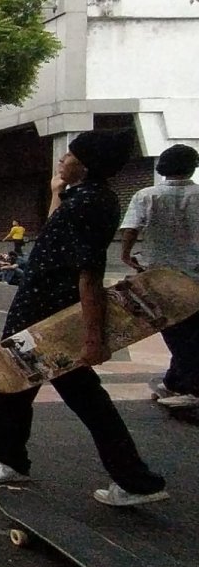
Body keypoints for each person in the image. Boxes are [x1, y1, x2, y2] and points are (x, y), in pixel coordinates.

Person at [0, 129, 168, 507]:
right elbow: (55, 234)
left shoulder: (91, 204)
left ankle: (132, 479)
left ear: (86, 165)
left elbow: (89, 273)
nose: (62, 159)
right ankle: (129, 477)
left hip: (50, 318)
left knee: (16, 380)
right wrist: (56, 189)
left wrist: (94, 338)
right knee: (36, 388)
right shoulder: (87, 198)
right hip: (42, 311)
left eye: (69, 155)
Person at [120, 144, 199, 408]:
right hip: (196, 274)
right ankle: (175, 381)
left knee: (174, 330)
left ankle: (190, 385)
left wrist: (126, 254)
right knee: (191, 330)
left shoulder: (146, 195)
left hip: (161, 275)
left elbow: (131, 227)